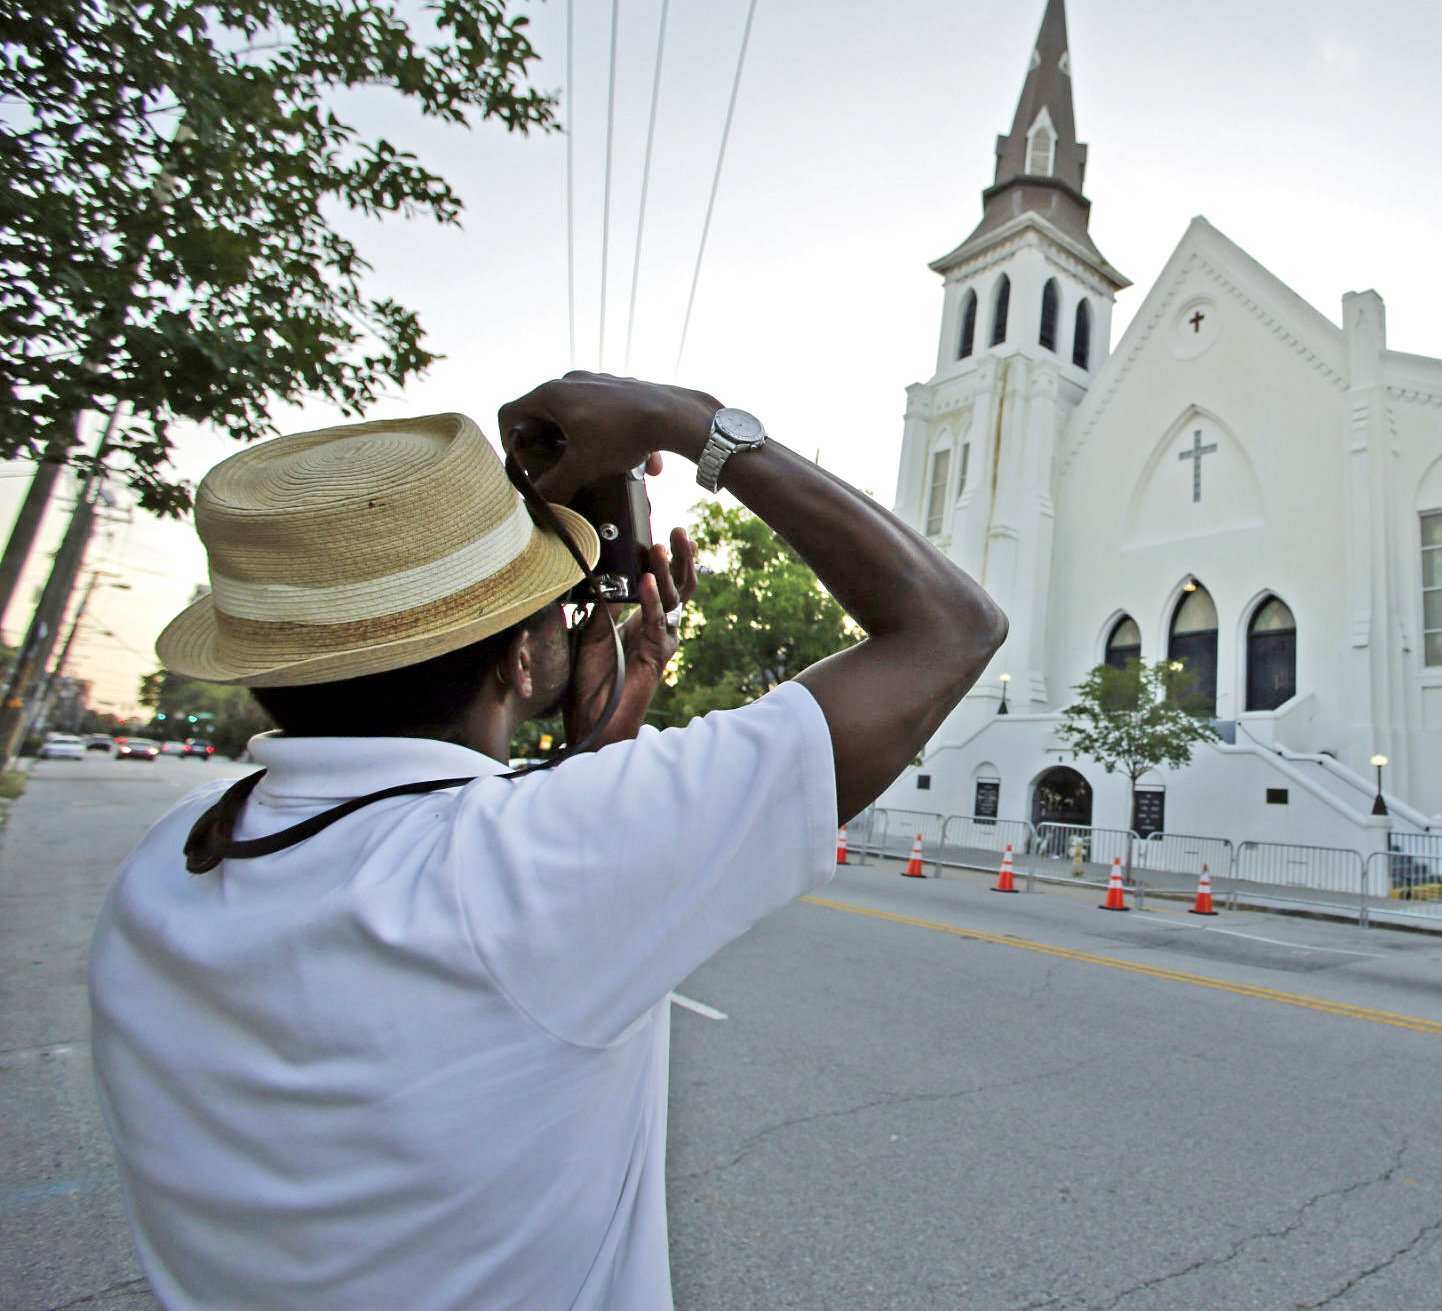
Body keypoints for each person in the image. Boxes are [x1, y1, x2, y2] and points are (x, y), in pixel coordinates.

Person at [89, 374, 1006, 1310]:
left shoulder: (173, 858)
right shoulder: (515, 866)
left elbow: (477, 864)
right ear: (521, 659)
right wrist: (690, 424)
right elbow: (952, 629)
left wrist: (597, 742)